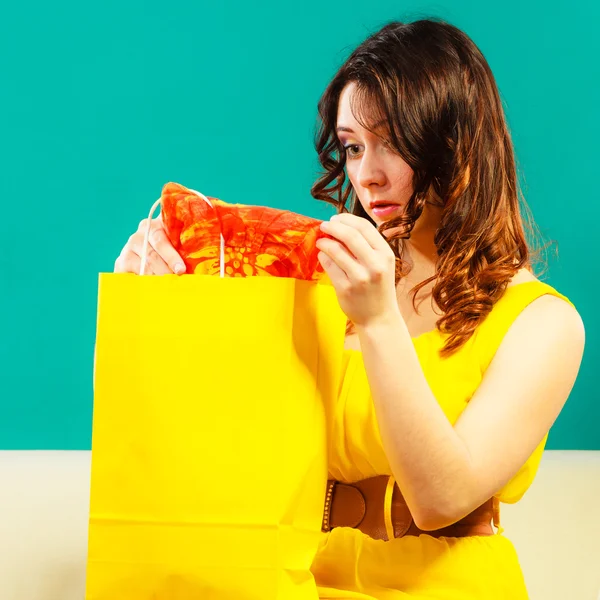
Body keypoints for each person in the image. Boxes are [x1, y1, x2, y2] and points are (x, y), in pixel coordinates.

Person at [114, 17, 586, 599]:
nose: (366, 175)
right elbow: (227, 438)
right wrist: (165, 306)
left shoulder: (543, 323)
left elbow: (442, 499)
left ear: (456, 142)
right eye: (353, 147)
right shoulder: (321, 281)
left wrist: (379, 321)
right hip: (291, 578)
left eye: (391, 141)